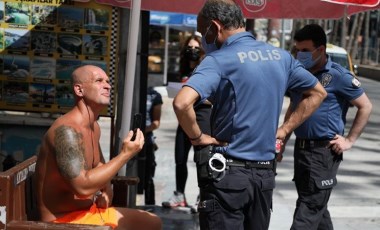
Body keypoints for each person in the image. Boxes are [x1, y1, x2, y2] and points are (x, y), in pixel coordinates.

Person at [172, 1, 327, 229]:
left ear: (214, 27)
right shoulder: (281, 57)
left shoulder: (218, 60)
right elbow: (318, 92)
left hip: (227, 177)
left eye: (202, 30)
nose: (202, 39)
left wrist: (197, 138)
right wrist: (283, 131)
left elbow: (181, 103)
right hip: (264, 177)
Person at [34, 65, 162, 230]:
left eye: (108, 81)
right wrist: (125, 154)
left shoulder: (94, 126)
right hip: (63, 222)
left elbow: (99, 164)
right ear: (79, 90)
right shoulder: (67, 131)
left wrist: (107, 189)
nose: (108, 85)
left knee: (153, 222)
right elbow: (82, 187)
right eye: (99, 81)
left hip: (87, 212)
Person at [279, 24, 372, 230]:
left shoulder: (339, 76)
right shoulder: (299, 74)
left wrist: (349, 140)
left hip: (323, 152)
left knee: (308, 209)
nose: (300, 55)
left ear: (320, 50)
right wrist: (282, 141)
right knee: (316, 207)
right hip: (302, 149)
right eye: (297, 50)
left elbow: (365, 106)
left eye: (305, 50)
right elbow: (294, 109)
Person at [162, 34, 212, 209]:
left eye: (196, 48)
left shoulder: (206, 69)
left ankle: (203, 195)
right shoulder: (182, 70)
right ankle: (179, 194)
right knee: (180, 158)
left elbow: (212, 96)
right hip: (183, 118)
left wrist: (194, 97)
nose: (192, 51)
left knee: (202, 158)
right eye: (189, 48)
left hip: (202, 117)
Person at [137, 86, 163, 205]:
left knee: (148, 173)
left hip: (147, 138)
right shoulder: (131, 90)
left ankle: (150, 204)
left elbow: (156, 122)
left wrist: (143, 131)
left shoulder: (155, 96)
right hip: (132, 136)